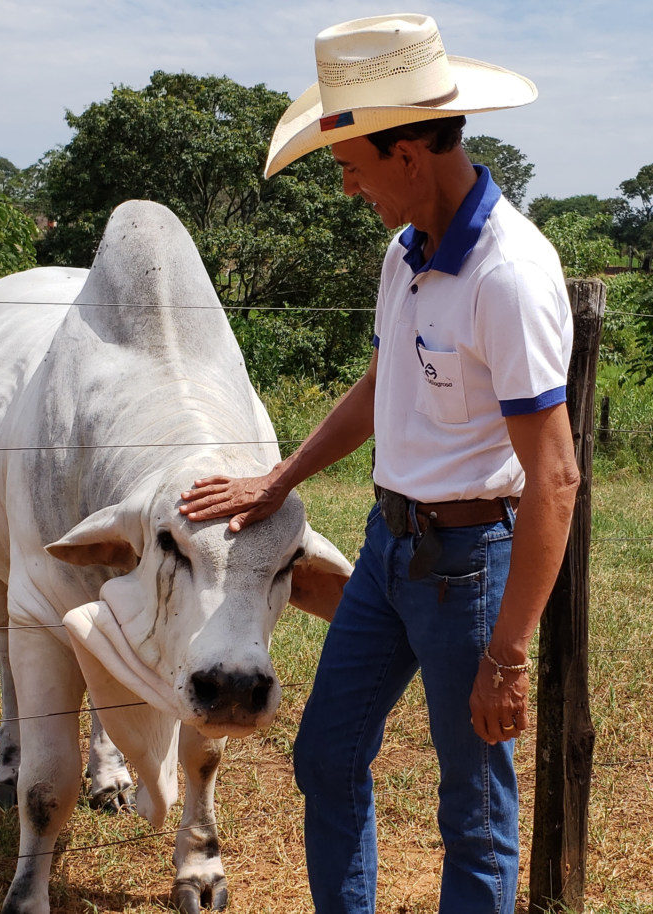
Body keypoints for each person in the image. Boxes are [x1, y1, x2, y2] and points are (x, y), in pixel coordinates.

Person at [179, 13, 580, 914]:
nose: (350, 189)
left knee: (473, 805)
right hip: (390, 551)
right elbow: (380, 386)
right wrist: (279, 479)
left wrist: (509, 656)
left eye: (352, 167)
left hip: (469, 566)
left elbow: (554, 477)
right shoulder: (406, 254)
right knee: (325, 756)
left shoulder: (507, 275)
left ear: (407, 153)